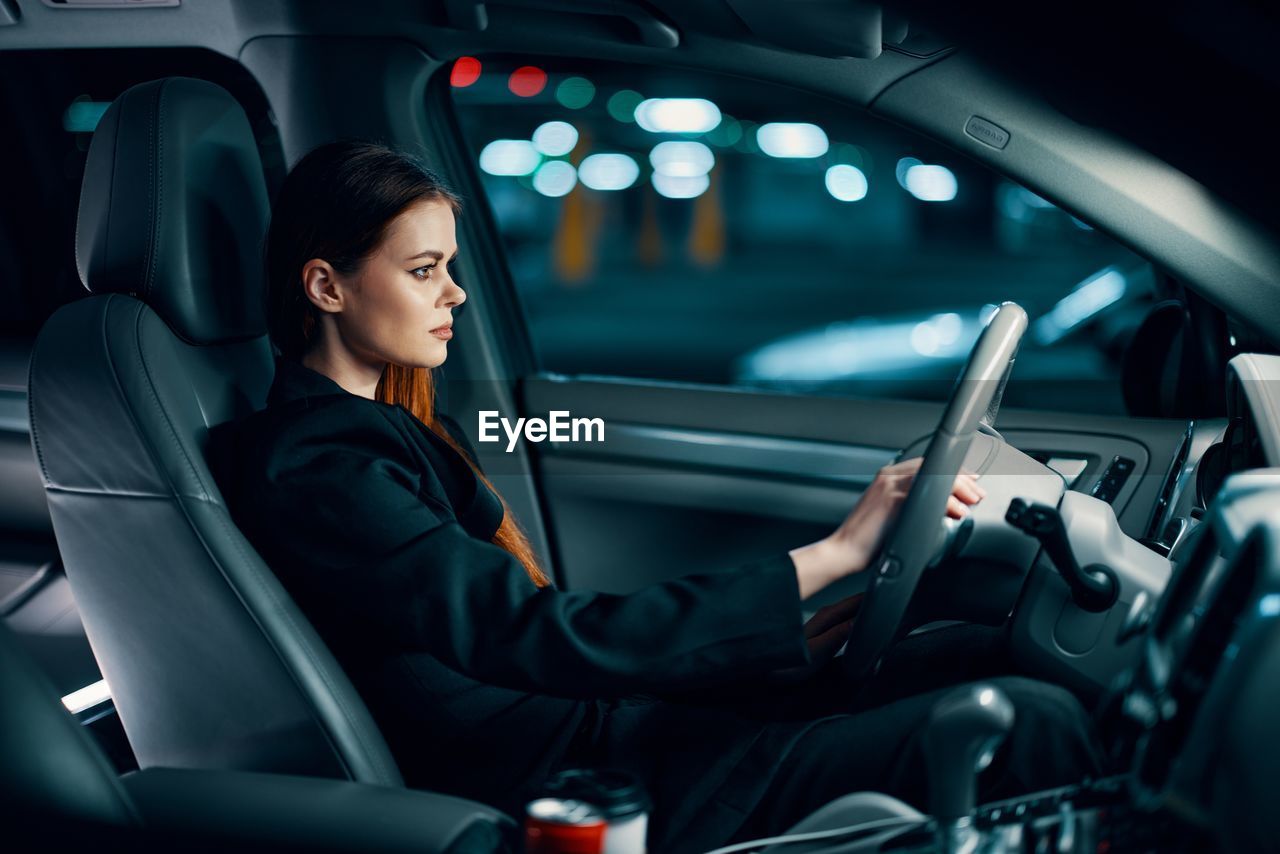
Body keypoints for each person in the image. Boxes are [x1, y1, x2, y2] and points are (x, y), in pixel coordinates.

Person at [208, 140, 1104, 854]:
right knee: (1030, 726)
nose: (459, 292)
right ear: (326, 286)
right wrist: (833, 556)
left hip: (610, 732)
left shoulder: (386, 432)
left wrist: (809, 631)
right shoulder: (322, 470)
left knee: (968, 654)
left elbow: (540, 582)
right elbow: (534, 634)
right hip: (585, 780)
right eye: (423, 270)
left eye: (450, 265)